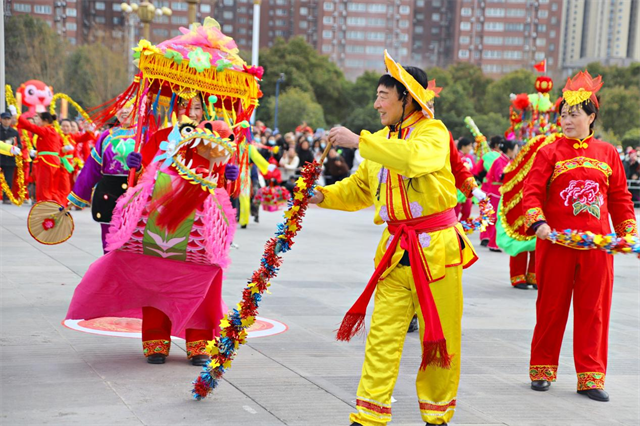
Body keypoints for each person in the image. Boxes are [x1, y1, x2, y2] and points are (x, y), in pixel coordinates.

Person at [310, 51, 477, 426]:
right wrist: (321, 196)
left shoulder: (433, 133)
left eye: (384, 96)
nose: (376, 103)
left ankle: (437, 416)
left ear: (406, 99)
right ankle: (369, 416)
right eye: (377, 95)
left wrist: (360, 142)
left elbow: (414, 158)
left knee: (440, 339)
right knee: (381, 338)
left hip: (437, 253)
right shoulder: (379, 141)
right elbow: (358, 189)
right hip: (395, 252)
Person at [523, 70, 637, 402]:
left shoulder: (608, 153)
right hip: (557, 243)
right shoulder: (549, 151)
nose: (567, 120)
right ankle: (542, 369)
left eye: (574, 114)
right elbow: (531, 194)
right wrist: (539, 224)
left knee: (594, 311)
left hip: (597, 248)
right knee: (551, 308)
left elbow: (619, 198)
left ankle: (590, 377)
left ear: (591, 116)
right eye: (563, 114)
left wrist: (627, 231)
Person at [16, 111, 65, 205]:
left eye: (38, 118)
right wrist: (38, 153)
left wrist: (18, 116)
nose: (36, 120)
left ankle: (45, 212)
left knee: (44, 189)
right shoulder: (52, 131)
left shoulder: (47, 130)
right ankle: (58, 210)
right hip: (52, 162)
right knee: (51, 190)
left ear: (45, 120)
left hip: (47, 163)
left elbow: (31, 127)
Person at [485, 139, 518, 252]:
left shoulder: (508, 160)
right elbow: (500, 176)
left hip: (500, 192)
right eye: (515, 149)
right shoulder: (500, 161)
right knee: (496, 218)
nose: (516, 151)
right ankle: (493, 243)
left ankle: (495, 242)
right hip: (496, 193)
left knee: (500, 218)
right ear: (509, 150)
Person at [0, 112, 22, 204]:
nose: (6, 121)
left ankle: (6, 197)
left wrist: (16, 149)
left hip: (10, 159)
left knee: (9, 179)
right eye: (5, 119)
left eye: (8, 119)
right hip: (0, 157)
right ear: (1, 119)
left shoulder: (14, 132)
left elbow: (20, 145)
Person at [454, 138, 475, 221]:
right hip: (457, 188)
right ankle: (454, 230)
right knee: (456, 210)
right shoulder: (456, 156)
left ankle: (462, 229)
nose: (471, 148)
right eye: (469, 146)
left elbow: (474, 171)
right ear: (463, 146)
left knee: (467, 210)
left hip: (468, 187)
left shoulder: (470, 157)